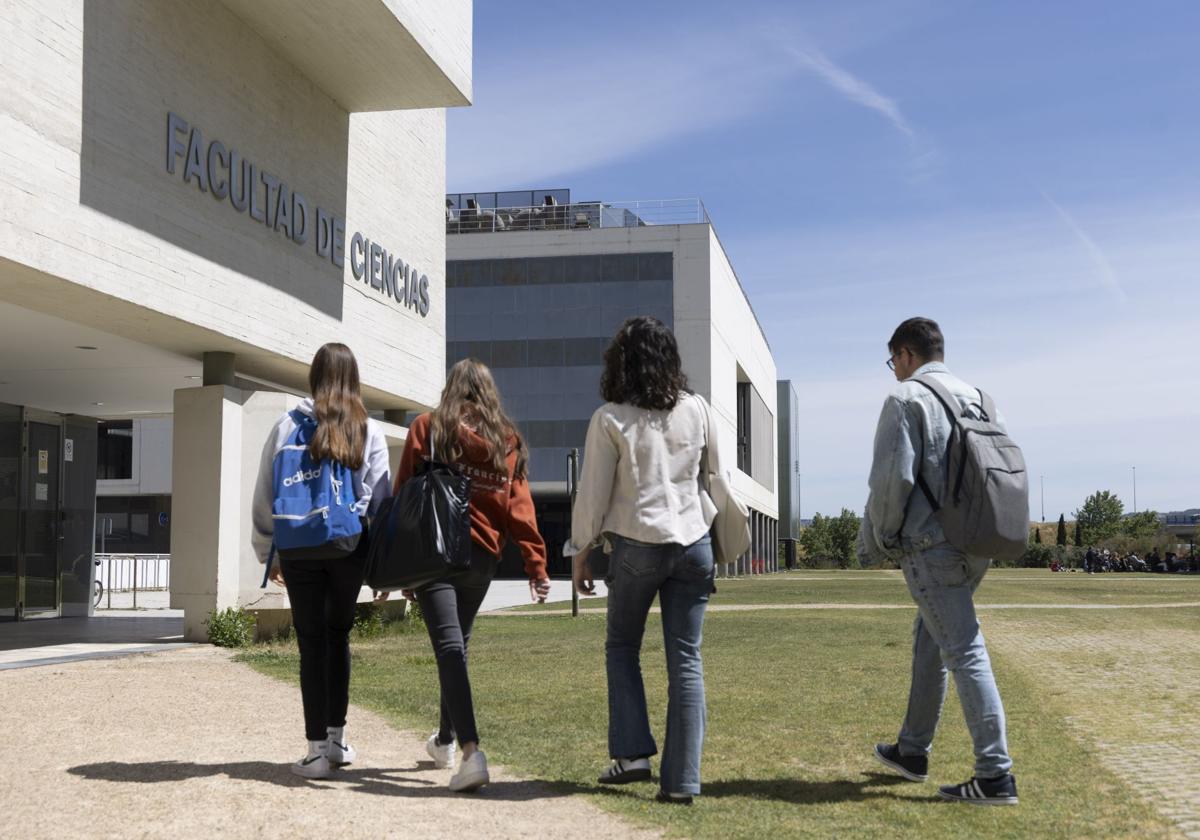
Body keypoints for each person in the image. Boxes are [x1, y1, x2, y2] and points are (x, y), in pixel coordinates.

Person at [858, 317, 1019, 806]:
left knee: (964, 650)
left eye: (893, 362)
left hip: (931, 546)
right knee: (933, 640)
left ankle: (995, 776)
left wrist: (881, 540)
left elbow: (891, 481)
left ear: (906, 354)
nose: (894, 372)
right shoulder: (979, 399)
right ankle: (912, 750)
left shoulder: (906, 400)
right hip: (977, 544)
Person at [568, 316, 720, 806]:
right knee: (686, 659)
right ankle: (682, 782)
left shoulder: (610, 417)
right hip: (694, 542)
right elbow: (716, 474)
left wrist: (580, 551)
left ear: (622, 362)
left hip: (636, 543)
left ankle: (632, 756)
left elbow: (592, 495)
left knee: (621, 647)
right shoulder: (697, 409)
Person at [381, 358, 550, 793]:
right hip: (483, 560)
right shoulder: (507, 441)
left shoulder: (430, 428)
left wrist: (393, 563)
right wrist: (535, 564)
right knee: (454, 647)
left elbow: (404, 496)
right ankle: (443, 740)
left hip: (438, 556)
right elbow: (520, 510)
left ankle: (472, 752)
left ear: (452, 388)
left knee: (450, 647)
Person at [252, 343, 392, 779]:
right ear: (354, 379)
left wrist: (267, 548)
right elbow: (379, 498)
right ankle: (336, 740)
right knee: (338, 636)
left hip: (298, 547)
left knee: (310, 642)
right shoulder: (367, 429)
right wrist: (377, 558)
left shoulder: (285, 426)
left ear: (314, 376)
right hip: (347, 547)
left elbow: (265, 490)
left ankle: (314, 751)